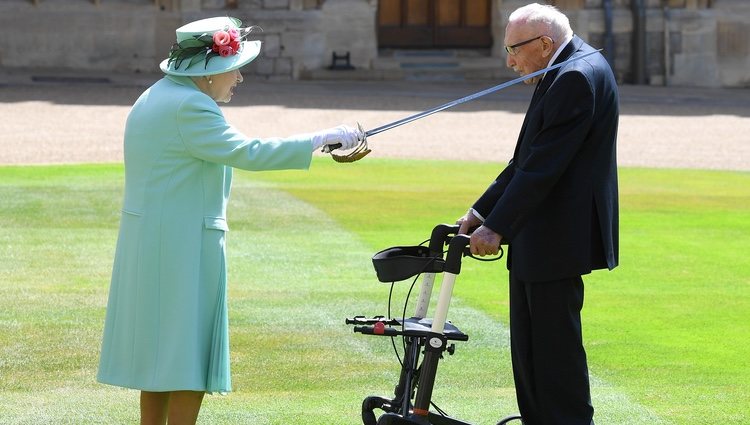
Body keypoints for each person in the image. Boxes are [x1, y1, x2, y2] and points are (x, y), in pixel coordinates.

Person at [96, 17, 363, 425]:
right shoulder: (191, 105)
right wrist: (322, 138)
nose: (238, 76)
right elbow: (248, 152)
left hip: (154, 242)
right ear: (207, 72)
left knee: (159, 355)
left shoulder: (157, 94)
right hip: (183, 247)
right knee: (187, 355)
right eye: (233, 67)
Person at [456, 3, 619, 425]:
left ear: (544, 44)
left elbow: (543, 167)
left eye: (514, 50)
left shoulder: (575, 77)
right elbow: (525, 159)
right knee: (531, 349)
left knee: (553, 352)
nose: (510, 62)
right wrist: (480, 212)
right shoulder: (566, 66)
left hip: (556, 236)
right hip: (542, 234)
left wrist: (496, 227)